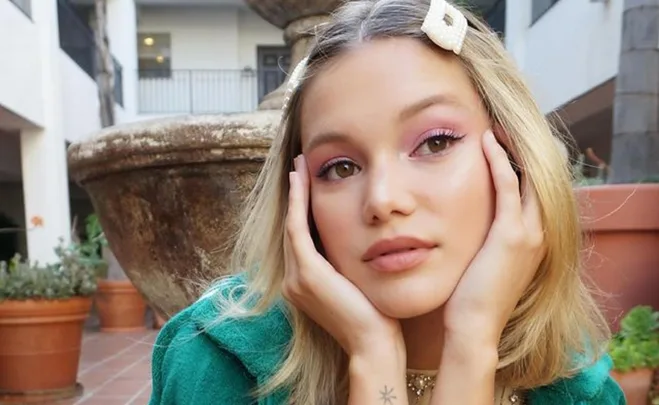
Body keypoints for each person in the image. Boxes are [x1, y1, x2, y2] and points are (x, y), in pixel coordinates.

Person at [148, 0, 626, 404]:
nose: (383, 200)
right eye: (339, 167)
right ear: (299, 197)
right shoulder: (212, 365)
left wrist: (471, 343)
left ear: (515, 158)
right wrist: (372, 356)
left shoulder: (580, 390)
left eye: (435, 143)